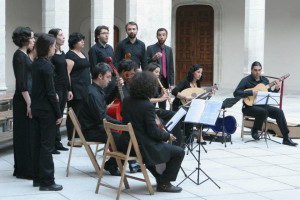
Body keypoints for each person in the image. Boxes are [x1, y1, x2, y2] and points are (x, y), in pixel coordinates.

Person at [119, 71, 185, 193]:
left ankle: (160, 178)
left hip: (128, 144)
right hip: (142, 146)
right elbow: (153, 132)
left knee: (153, 153)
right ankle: (164, 183)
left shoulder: (127, 100)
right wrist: (167, 135)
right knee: (179, 152)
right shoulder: (147, 105)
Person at [233, 61, 298, 146]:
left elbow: (270, 95)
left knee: (279, 112)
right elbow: (236, 93)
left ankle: (286, 138)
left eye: (259, 70)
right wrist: (251, 93)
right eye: (255, 70)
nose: (257, 72)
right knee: (263, 112)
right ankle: (255, 130)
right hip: (248, 107)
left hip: (263, 106)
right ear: (251, 70)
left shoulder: (265, 80)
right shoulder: (245, 80)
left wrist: (276, 89)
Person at [78, 62, 123, 176]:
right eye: (108, 77)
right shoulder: (92, 93)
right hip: (92, 130)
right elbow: (102, 118)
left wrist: (116, 89)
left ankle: (111, 164)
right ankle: (111, 164)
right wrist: (121, 124)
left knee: (125, 137)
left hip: (96, 127)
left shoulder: (95, 90)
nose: (109, 80)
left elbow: (105, 102)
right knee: (125, 139)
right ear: (100, 76)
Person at [31, 33, 63, 191]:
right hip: (46, 111)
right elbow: (51, 93)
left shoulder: (36, 63)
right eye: (53, 45)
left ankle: (37, 178)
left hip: (37, 108)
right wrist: (58, 113)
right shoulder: (47, 66)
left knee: (38, 144)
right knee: (47, 146)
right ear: (49, 47)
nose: (55, 48)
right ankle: (47, 181)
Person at [11, 26, 35, 180]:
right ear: (25, 39)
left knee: (28, 134)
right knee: (24, 135)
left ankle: (25, 167)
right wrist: (29, 103)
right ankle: (24, 170)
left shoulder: (24, 55)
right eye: (32, 37)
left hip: (26, 98)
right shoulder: (19, 56)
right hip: (23, 100)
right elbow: (21, 83)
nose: (33, 40)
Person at [171, 64, 215, 144]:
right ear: (192, 72)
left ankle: (199, 135)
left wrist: (209, 94)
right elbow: (174, 91)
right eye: (198, 72)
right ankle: (191, 134)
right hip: (180, 106)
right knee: (189, 140)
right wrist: (185, 97)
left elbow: (199, 97)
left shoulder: (197, 84)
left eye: (201, 73)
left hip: (191, 107)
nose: (200, 74)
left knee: (202, 112)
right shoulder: (185, 81)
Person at [145, 62, 182, 147]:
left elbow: (156, 97)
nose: (158, 74)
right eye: (156, 72)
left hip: (154, 110)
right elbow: (147, 100)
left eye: (159, 72)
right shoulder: (146, 83)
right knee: (162, 121)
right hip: (149, 111)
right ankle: (166, 139)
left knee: (175, 115)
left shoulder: (156, 82)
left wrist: (162, 94)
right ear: (150, 72)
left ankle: (177, 144)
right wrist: (161, 99)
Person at [49, 28, 73, 153]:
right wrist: (54, 92)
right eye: (61, 35)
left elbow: (65, 72)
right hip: (57, 88)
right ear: (54, 38)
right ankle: (51, 143)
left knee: (60, 115)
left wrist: (69, 89)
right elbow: (52, 74)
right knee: (56, 116)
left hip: (64, 87)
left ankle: (57, 142)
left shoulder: (62, 53)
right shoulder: (51, 55)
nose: (63, 37)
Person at [66, 32, 91, 146]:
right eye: (80, 40)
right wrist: (69, 89)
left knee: (81, 114)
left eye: (83, 40)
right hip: (75, 88)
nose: (83, 42)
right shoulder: (70, 55)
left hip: (84, 87)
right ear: (74, 42)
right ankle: (71, 138)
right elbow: (68, 73)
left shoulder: (82, 53)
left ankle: (79, 136)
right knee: (73, 113)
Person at [147, 28, 175, 109]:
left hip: (165, 81)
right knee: (152, 104)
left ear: (166, 36)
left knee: (163, 104)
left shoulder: (169, 49)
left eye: (163, 35)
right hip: (154, 80)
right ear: (157, 36)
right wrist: (154, 58)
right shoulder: (150, 48)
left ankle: (162, 120)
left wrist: (172, 84)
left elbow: (171, 67)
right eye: (159, 35)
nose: (161, 37)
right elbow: (146, 64)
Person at [89, 25, 117, 100]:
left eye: (107, 33)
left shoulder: (110, 48)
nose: (106, 35)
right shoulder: (94, 49)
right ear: (98, 36)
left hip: (111, 79)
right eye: (104, 33)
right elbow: (93, 67)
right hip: (101, 81)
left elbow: (114, 64)